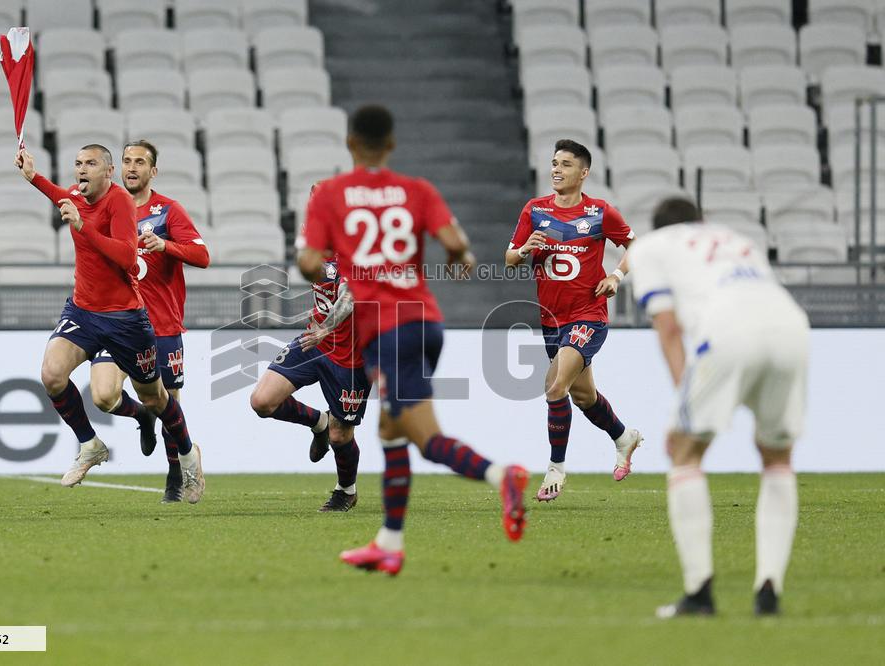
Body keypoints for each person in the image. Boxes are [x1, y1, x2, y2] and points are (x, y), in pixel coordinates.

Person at [297, 105, 529, 576]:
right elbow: (457, 243)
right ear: (393, 144)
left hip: (386, 330)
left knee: (424, 437)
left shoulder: (333, 196)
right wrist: (459, 256)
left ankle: (502, 476)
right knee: (389, 430)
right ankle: (389, 543)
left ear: (350, 144)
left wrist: (329, 255)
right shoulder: (417, 190)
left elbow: (307, 263)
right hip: (424, 322)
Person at [628, 198, 809, 617]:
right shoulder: (735, 238)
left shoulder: (650, 248)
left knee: (684, 450)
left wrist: (681, 400)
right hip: (791, 327)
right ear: (701, 221)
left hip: (727, 329)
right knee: (778, 456)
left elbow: (669, 327)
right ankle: (769, 591)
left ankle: (699, 592)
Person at [15, 144, 205, 503]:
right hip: (83, 311)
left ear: (108, 171)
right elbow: (60, 195)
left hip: (124, 319)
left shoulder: (119, 202)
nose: (81, 171)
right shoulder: (76, 195)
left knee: (156, 398)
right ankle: (90, 445)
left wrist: (82, 225)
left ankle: (187, 456)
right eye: (77, 164)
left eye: (90, 164)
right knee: (52, 375)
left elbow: (125, 255)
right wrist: (32, 177)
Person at [505, 139, 643, 501]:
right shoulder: (535, 211)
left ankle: (556, 468)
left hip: (588, 315)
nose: (556, 169)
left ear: (583, 173)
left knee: (554, 387)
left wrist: (616, 277)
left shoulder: (600, 213)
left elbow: (636, 246)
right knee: (583, 396)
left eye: (565, 164)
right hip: (551, 321)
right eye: (554, 163)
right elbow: (509, 259)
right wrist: (524, 249)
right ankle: (624, 437)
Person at [86, 140, 211, 503]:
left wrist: (165, 246)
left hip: (161, 325)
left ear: (153, 171)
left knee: (169, 405)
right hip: (117, 322)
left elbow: (202, 256)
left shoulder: (169, 211)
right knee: (104, 395)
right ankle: (141, 416)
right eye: (126, 161)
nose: (132, 167)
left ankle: (175, 475)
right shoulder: (106, 208)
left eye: (140, 162)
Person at [249, 247, 366, 512]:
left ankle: (346, 490)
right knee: (262, 401)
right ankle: (319, 422)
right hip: (314, 343)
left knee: (340, 436)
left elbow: (349, 298)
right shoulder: (314, 251)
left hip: (350, 356)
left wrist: (326, 327)